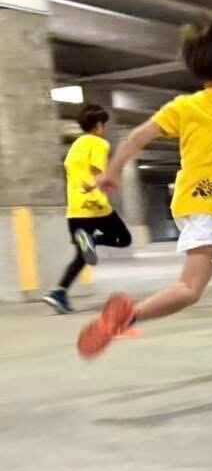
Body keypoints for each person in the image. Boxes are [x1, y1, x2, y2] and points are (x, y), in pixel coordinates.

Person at [75, 19, 212, 360]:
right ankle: (126, 318)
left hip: (186, 202)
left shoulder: (185, 105)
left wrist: (113, 172)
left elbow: (137, 137)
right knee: (189, 288)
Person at [43, 103, 132, 314]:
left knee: (81, 256)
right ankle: (92, 241)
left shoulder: (76, 146)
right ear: (99, 125)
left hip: (75, 210)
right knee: (123, 239)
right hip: (95, 207)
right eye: (105, 125)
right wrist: (109, 182)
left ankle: (59, 293)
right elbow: (96, 172)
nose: (106, 129)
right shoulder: (99, 143)